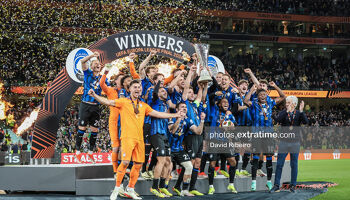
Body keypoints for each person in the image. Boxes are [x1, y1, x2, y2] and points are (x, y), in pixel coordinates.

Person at [88, 80, 181, 200]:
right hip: (127, 137)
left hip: (139, 139)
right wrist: (95, 95)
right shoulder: (123, 102)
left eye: (139, 87)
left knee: (138, 164)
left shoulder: (143, 105)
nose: (138, 89)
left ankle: (131, 189)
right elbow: (107, 101)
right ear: (130, 89)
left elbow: (158, 114)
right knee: (125, 162)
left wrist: (175, 115)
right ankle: (116, 189)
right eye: (135, 87)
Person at [244, 82, 286, 191]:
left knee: (269, 158)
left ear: (267, 95)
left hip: (268, 135)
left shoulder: (270, 103)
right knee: (256, 157)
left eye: (264, 95)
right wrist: (251, 90)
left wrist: (275, 86)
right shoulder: (253, 104)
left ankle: (268, 182)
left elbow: (282, 96)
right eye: (260, 95)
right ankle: (253, 182)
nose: (263, 96)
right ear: (257, 97)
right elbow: (245, 101)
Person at [75, 51, 109, 163]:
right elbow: (82, 61)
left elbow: (108, 90)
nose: (97, 65)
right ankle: (78, 152)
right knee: (82, 129)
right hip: (86, 105)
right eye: (95, 63)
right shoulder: (87, 73)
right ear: (91, 66)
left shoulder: (103, 79)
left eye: (99, 64)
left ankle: (90, 153)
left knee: (95, 130)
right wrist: (92, 56)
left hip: (96, 107)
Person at [270, 96, 308, 193]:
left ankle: (293, 185)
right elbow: (278, 120)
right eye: (286, 102)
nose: (287, 104)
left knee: (294, 164)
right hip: (283, 142)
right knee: (279, 164)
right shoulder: (284, 112)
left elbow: (306, 122)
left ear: (294, 104)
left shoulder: (299, 113)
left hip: (295, 143)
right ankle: (276, 185)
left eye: (289, 102)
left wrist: (301, 110)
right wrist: (285, 112)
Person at [207, 98, 238, 195]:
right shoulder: (214, 111)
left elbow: (234, 127)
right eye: (224, 102)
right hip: (214, 141)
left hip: (225, 141)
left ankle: (231, 184)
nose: (226, 104)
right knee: (212, 164)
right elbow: (211, 99)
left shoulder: (229, 115)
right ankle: (211, 187)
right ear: (219, 104)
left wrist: (231, 126)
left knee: (233, 162)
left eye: (227, 103)